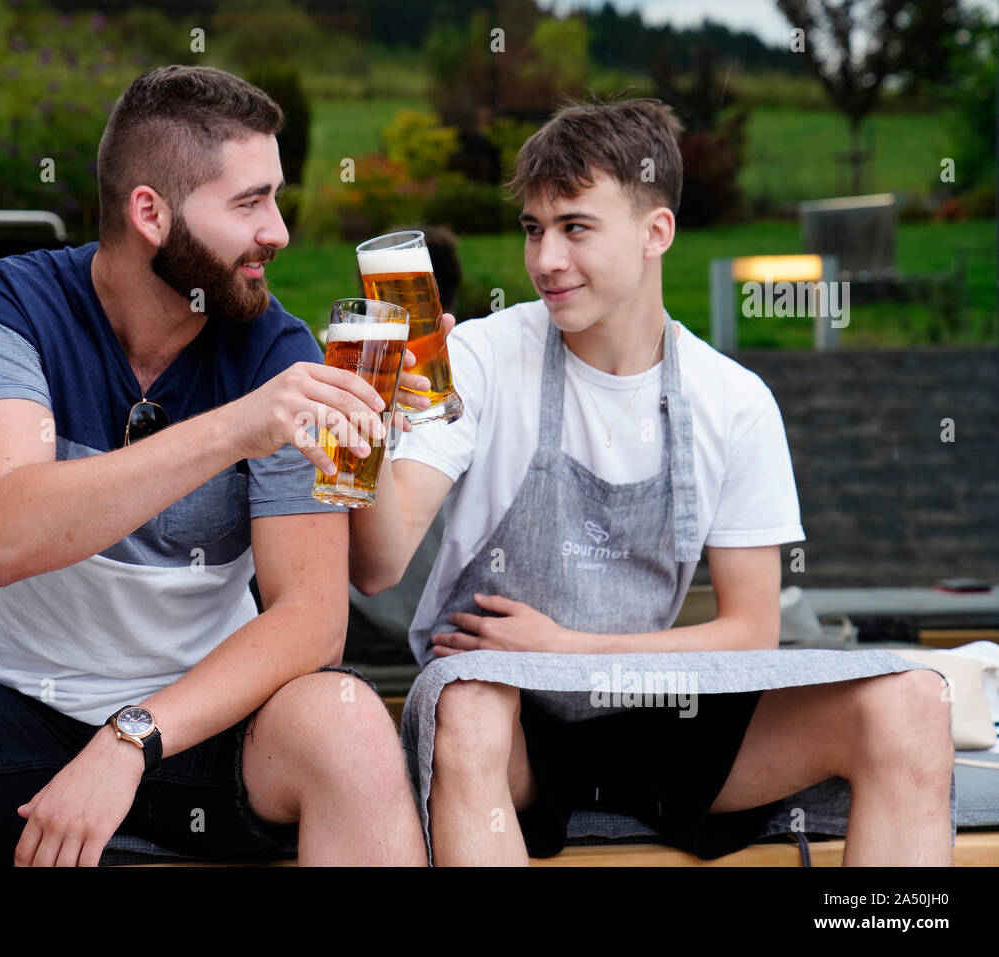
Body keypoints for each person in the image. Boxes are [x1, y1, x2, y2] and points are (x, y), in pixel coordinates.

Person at [0, 65, 427, 867]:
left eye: (275, 198)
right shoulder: (10, 304)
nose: (278, 230)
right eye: (250, 203)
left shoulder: (276, 348)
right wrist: (235, 429)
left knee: (350, 718)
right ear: (150, 212)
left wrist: (132, 736)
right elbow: (3, 532)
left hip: (208, 725)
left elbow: (311, 618)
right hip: (17, 710)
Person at [348, 97, 955, 866]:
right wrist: (364, 437)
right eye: (534, 229)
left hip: (658, 710)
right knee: (468, 705)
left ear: (655, 231)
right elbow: (377, 566)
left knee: (912, 702)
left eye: (575, 227)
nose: (544, 260)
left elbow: (750, 634)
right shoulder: (476, 358)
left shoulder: (731, 400)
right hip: (511, 732)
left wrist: (567, 648)